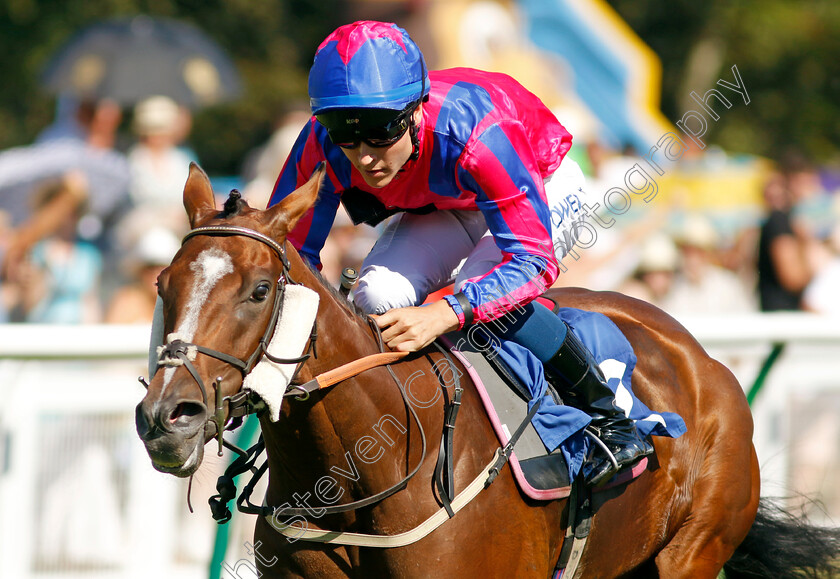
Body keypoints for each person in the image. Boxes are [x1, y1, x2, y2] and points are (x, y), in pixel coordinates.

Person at [268, 21, 652, 486]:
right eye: (343, 133)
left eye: (380, 131)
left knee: (482, 294)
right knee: (374, 295)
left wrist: (449, 311)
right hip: (452, 200)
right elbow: (286, 254)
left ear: (414, 111)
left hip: (539, 183)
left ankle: (611, 419)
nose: (364, 156)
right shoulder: (321, 140)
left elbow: (532, 263)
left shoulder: (479, 131)